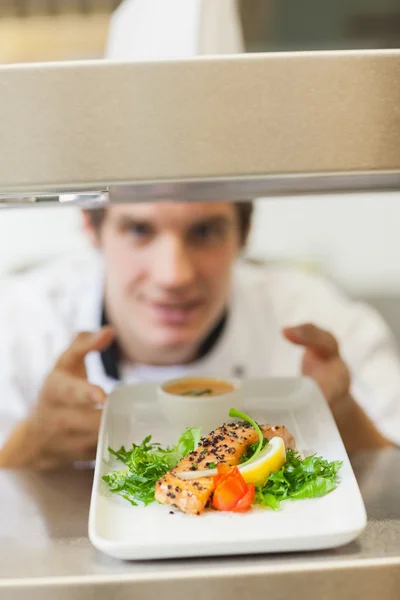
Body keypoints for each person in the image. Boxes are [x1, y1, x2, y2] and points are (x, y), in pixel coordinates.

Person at [0, 0, 399, 467]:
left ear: (244, 233)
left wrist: (345, 415)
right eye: (139, 230)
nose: (173, 275)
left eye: (205, 231)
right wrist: (30, 447)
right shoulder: (20, 328)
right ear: (91, 226)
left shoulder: (320, 321)